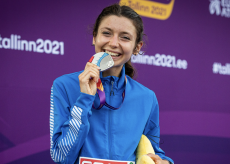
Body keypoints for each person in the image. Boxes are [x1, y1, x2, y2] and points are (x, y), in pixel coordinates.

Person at [49, 4, 174, 164]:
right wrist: (85, 98)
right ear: (95, 37)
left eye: (125, 37)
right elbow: (61, 157)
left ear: (137, 47)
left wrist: (163, 162)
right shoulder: (64, 86)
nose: (114, 43)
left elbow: (151, 151)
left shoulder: (147, 97)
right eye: (107, 33)